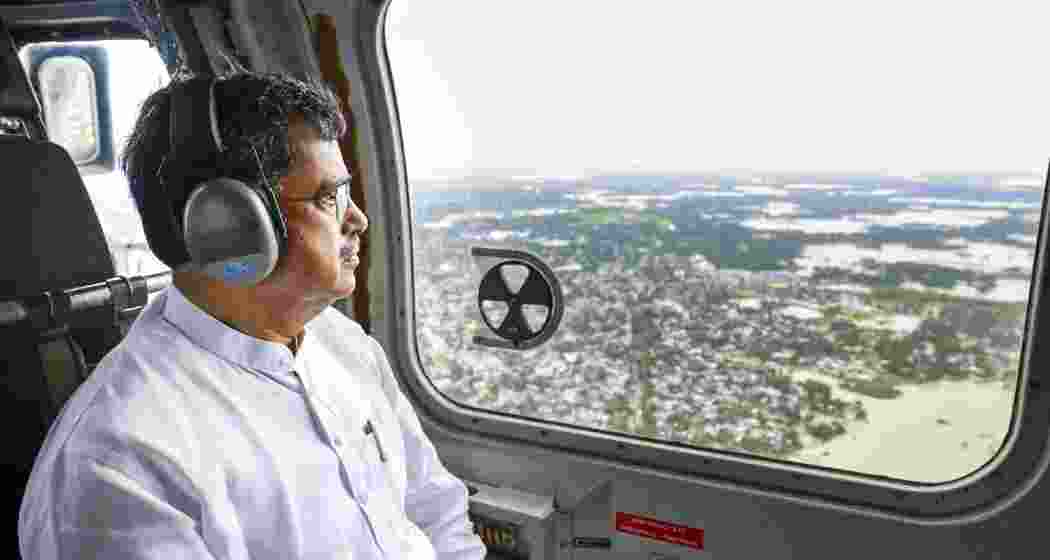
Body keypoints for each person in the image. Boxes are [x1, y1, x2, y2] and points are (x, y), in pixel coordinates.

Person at [18, 71, 487, 560]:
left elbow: (436, 511)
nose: (358, 220)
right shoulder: (119, 458)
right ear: (229, 224)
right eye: (329, 197)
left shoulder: (343, 345)